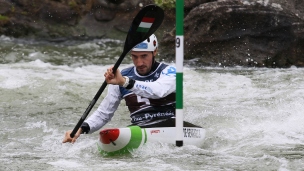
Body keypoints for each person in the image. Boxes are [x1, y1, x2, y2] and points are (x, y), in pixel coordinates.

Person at [63, 34, 177, 143]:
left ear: (155, 52)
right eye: (134, 56)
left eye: (144, 56)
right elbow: (104, 113)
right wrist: (81, 129)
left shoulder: (170, 72)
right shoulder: (122, 75)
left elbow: (159, 91)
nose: (139, 62)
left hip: (170, 126)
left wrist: (125, 82)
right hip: (140, 130)